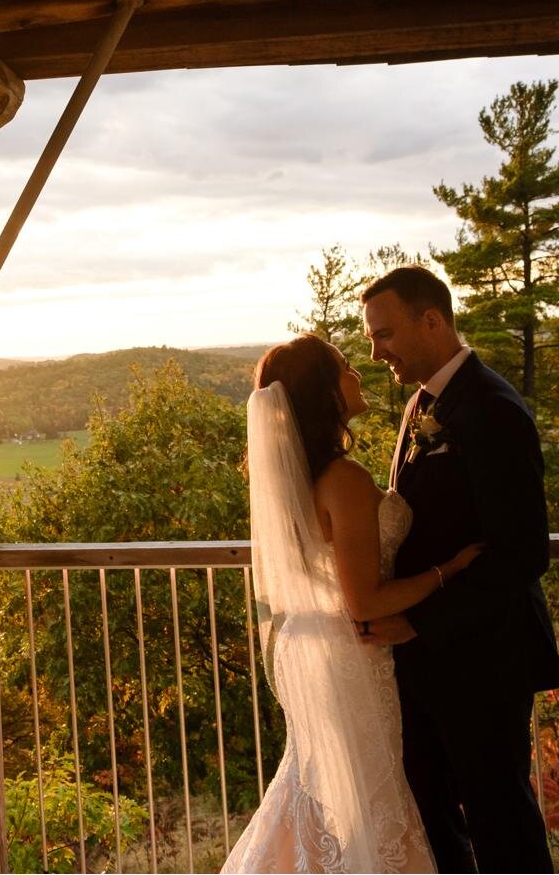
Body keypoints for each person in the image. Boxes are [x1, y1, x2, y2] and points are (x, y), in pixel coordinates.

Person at [225, 332, 482, 874]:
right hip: (350, 653)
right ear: (324, 392)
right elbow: (364, 599)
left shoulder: (312, 478)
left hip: (316, 645)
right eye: (344, 366)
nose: (358, 372)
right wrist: (449, 570)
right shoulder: (342, 479)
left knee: (321, 789)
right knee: (364, 795)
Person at [362, 265, 559, 874]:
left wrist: (419, 621)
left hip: (486, 658)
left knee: (500, 819)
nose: (376, 352)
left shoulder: (493, 407)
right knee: (431, 817)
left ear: (432, 320)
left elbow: (524, 551)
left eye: (385, 334)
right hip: (425, 661)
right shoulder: (420, 404)